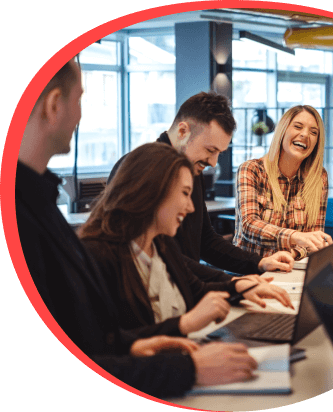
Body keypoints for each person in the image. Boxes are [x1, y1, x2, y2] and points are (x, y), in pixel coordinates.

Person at [15, 57, 258, 398]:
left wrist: (134, 345)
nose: (82, 115)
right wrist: (185, 367)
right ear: (55, 104)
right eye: (80, 99)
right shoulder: (34, 220)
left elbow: (92, 335)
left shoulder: (38, 201)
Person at [78, 142, 293, 334]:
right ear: (152, 191)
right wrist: (185, 324)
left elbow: (196, 290)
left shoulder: (160, 244)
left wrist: (240, 287)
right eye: (184, 193)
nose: (190, 207)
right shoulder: (96, 256)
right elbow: (106, 346)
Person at [108, 92, 294, 284]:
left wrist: (259, 263)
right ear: (182, 132)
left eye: (219, 153)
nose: (213, 163)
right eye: (210, 150)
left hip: (186, 290)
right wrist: (231, 284)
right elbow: (161, 256)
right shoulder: (139, 169)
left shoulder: (190, 168)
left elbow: (206, 240)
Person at [233, 105, 333, 260]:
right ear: (283, 131)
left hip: (291, 268)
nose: (305, 135)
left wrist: (291, 254)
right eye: (298, 127)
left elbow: (314, 239)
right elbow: (249, 226)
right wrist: (295, 237)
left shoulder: (319, 177)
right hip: (250, 271)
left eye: (314, 132)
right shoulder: (251, 170)